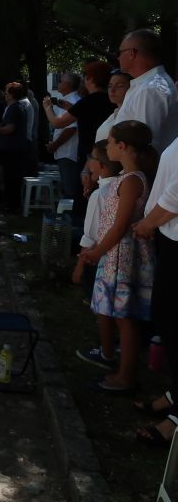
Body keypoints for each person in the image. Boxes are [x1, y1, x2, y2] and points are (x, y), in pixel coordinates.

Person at [78, 121, 156, 393]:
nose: (107, 146)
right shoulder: (126, 177)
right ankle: (117, 365)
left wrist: (98, 250)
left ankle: (125, 376)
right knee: (117, 314)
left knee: (125, 319)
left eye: (110, 142)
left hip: (122, 256)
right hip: (115, 254)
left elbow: (120, 225)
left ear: (122, 146)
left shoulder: (133, 180)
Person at [133, 130, 178, 445]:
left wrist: (150, 222)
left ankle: (175, 422)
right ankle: (176, 394)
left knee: (174, 323)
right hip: (171, 235)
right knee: (167, 319)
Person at [115, 28, 178, 152]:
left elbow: (143, 145)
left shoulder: (149, 90)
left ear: (131, 53)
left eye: (120, 53)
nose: (118, 58)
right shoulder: (147, 85)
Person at [72, 142, 121, 289]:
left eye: (91, 157)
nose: (88, 162)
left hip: (98, 259)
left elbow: (90, 237)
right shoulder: (122, 186)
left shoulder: (99, 195)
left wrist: (79, 268)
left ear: (101, 165)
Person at [45, 74, 82, 204]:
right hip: (65, 150)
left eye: (60, 81)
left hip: (68, 151)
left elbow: (71, 128)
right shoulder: (67, 100)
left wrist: (55, 144)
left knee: (70, 188)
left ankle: (69, 220)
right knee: (68, 186)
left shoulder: (73, 101)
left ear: (68, 85)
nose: (58, 83)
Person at [0, 83, 31, 213]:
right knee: (11, 178)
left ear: (11, 94)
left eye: (6, 92)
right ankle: (12, 204)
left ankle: (12, 205)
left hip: (13, 150)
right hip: (14, 149)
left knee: (12, 178)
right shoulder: (15, 107)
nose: (4, 94)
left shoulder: (15, 108)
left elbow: (10, 128)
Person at [95, 70, 132, 142]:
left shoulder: (131, 114)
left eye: (119, 86)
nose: (112, 90)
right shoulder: (114, 114)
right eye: (110, 86)